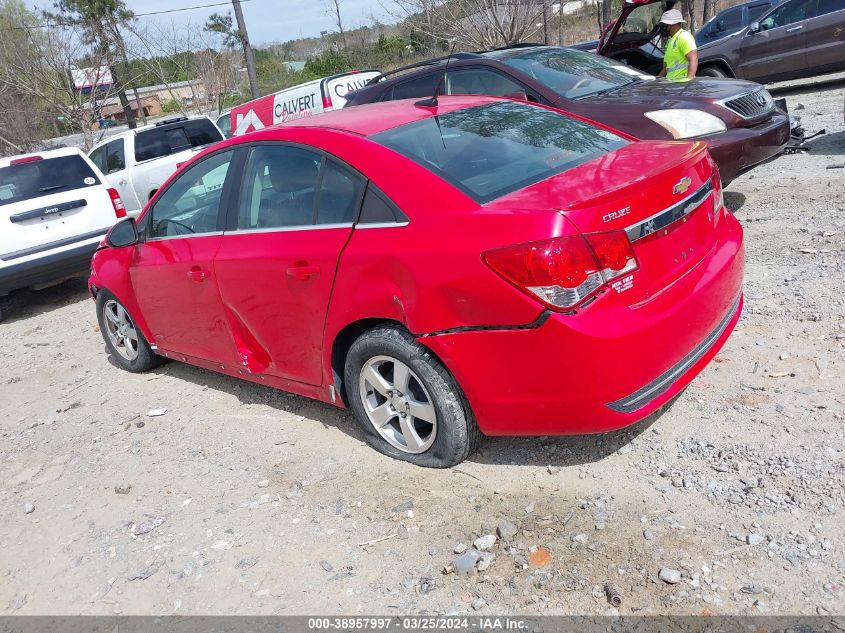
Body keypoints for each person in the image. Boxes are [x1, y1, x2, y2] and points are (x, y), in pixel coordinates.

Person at [657, 9, 698, 81]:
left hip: (681, 85)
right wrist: (656, 81)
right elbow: (665, 69)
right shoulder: (671, 41)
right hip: (672, 85)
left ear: (674, 24)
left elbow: (693, 59)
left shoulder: (684, 37)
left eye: (665, 25)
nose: (664, 28)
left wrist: (688, 82)